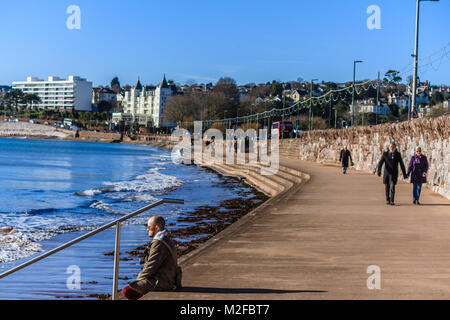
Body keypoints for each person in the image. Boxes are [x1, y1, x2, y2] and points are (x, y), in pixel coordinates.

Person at [122, 216, 178, 300]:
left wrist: (138, 280)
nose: (147, 230)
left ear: (157, 227)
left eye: (149, 227)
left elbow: (151, 266)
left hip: (163, 281)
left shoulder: (159, 244)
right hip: (167, 277)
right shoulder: (165, 238)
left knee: (127, 291)